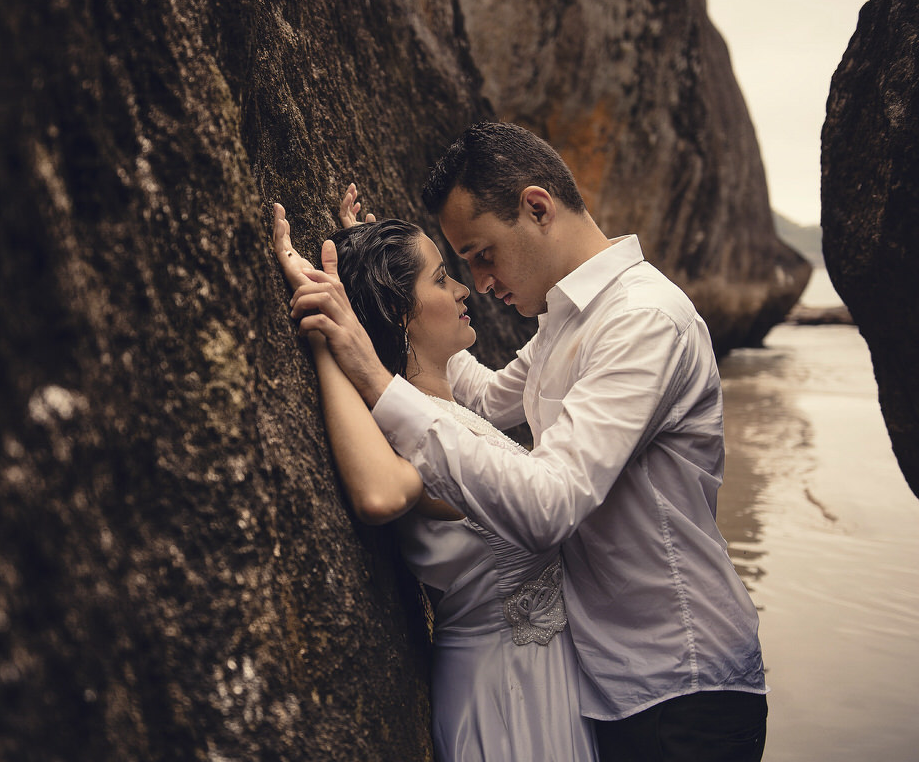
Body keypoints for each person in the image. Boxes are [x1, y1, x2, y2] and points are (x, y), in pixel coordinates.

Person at [279, 123, 769, 762]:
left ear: (538, 208)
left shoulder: (641, 321)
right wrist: (384, 299)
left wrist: (372, 370)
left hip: (680, 684)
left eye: (483, 254)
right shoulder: (568, 319)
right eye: (459, 267)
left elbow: (550, 504)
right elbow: (480, 400)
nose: (479, 282)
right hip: (603, 684)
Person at [273, 187, 598, 761]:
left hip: (541, 683)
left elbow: (452, 384)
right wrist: (327, 338)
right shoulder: (412, 432)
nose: (464, 289)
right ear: (401, 311)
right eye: (443, 278)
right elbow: (379, 493)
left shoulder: (444, 415)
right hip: (504, 696)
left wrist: (378, 262)